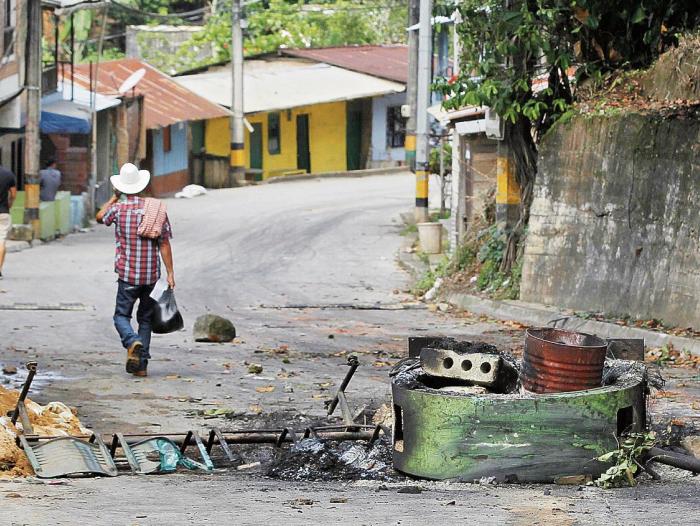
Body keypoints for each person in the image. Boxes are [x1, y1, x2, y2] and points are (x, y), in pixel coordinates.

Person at [96, 163, 175, 377]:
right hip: (151, 276)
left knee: (121, 316)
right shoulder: (156, 209)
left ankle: (132, 341)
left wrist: (114, 197)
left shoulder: (118, 209)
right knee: (146, 319)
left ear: (122, 187)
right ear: (141, 185)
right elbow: (164, 244)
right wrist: (170, 273)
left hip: (127, 275)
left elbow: (99, 216)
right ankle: (141, 367)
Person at [0, 165, 17, 280]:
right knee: (1, 241)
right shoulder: (8, 174)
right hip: (3, 212)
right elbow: (13, 194)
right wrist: (9, 204)